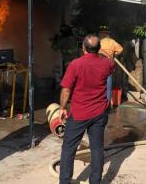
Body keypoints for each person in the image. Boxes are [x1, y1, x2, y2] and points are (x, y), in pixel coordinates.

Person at [59, 35, 114, 184]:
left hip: (79, 114)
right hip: (99, 113)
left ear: (83, 48)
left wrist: (62, 108)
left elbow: (66, 90)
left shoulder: (75, 64)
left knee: (69, 149)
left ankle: (64, 181)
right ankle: (95, 181)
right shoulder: (107, 64)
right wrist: (102, 53)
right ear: (98, 49)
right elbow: (111, 64)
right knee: (97, 149)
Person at [98, 26, 123, 103]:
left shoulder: (98, 42)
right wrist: (115, 55)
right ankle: (107, 103)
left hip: (99, 64)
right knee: (108, 84)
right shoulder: (112, 42)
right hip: (109, 64)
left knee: (99, 84)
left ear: (102, 33)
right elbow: (121, 49)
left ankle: (99, 102)